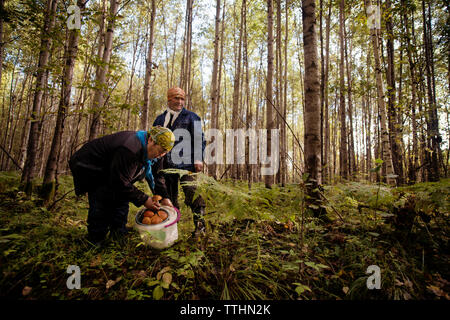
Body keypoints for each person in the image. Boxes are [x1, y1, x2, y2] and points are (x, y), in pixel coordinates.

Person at [69, 126, 175, 245]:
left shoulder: (157, 153)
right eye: (160, 151)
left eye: (164, 153)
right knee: (102, 198)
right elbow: (120, 182)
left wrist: (165, 197)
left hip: (114, 170)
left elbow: (157, 176)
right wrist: (145, 199)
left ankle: (118, 232)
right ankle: (95, 238)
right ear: (150, 140)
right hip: (90, 165)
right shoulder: (130, 148)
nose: (161, 155)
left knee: (121, 196)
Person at [152, 87, 206, 236]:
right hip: (166, 164)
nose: (180, 102)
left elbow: (199, 139)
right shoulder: (160, 119)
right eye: (176, 98)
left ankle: (200, 228)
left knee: (192, 192)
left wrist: (198, 158)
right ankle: (172, 231)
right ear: (169, 99)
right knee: (169, 197)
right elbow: (153, 140)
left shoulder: (191, 117)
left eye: (182, 98)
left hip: (186, 163)